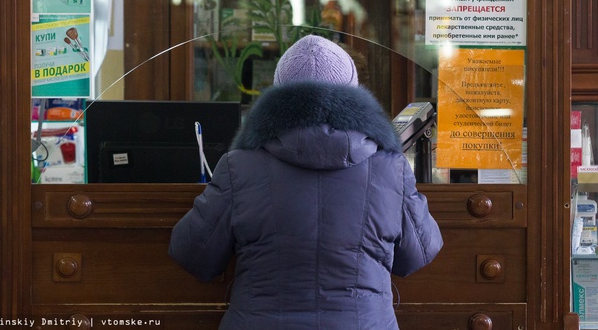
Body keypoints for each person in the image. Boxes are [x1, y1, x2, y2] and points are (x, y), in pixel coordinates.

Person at [169, 35, 443, 329]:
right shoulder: (391, 170)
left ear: (277, 95)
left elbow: (195, 255)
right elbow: (418, 254)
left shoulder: (239, 167)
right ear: (354, 95)